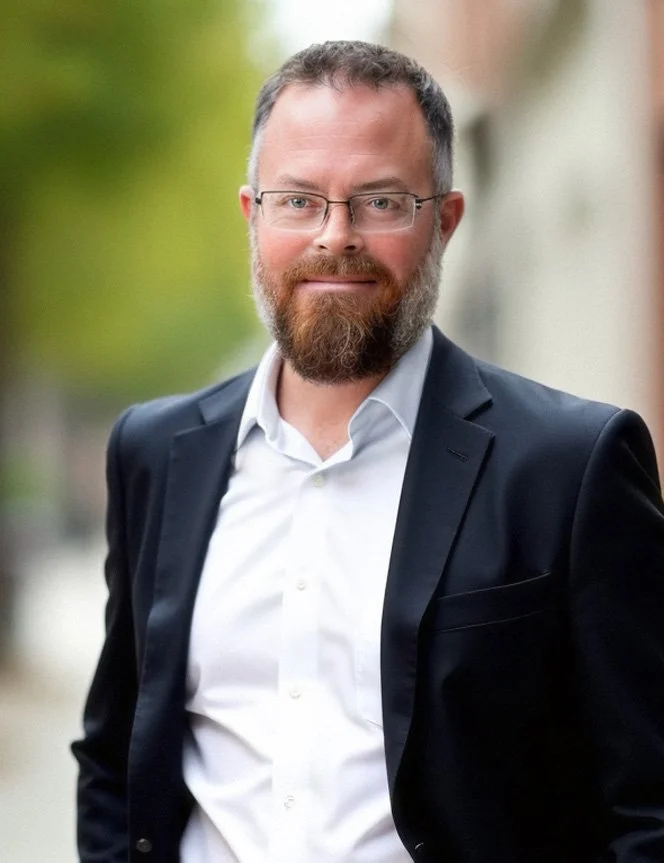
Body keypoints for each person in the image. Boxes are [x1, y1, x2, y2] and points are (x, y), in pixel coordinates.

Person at [72, 40, 664, 863]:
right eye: (299, 200)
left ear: (445, 220)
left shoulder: (571, 466)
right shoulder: (155, 454)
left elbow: (649, 806)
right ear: (253, 215)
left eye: (381, 201)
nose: (335, 236)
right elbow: (114, 754)